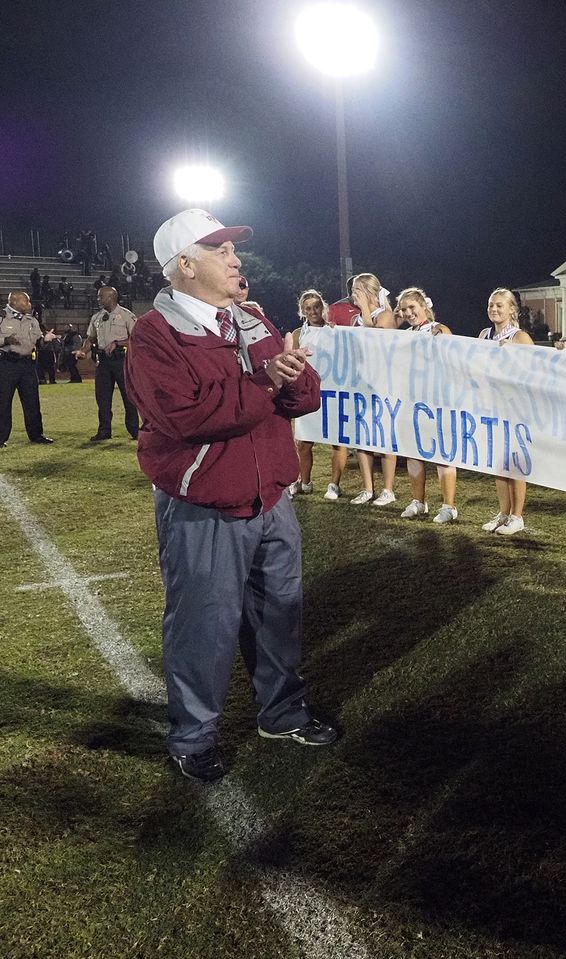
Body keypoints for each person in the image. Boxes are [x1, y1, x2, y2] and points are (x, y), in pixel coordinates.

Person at [126, 208, 336, 784]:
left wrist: (292, 375)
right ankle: (193, 737)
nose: (235, 259)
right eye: (220, 251)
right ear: (185, 266)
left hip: (272, 497)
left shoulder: (251, 319)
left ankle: (282, 712)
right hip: (205, 507)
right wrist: (268, 382)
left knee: (278, 615)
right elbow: (186, 415)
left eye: (232, 249)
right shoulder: (155, 333)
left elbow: (306, 397)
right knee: (204, 623)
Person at [393, 287, 460, 522]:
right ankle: (418, 501)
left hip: (438, 400)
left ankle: (449, 506)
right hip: (413, 399)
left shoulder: (439, 329)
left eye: (412, 307)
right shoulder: (406, 334)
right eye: (404, 309)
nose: (409, 312)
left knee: (442, 453)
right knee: (413, 452)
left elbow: (453, 358)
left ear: (424, 307)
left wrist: (438, 338)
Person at [479, 288, 534, 535]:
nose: (494, 309)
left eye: (500, 305)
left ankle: (517, 515)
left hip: (515, 408)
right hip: (491, 407)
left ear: (512, 309)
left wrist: (508, 357)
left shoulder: (520, 337)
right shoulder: (483, 334)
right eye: (491, 305)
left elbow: (534, 373)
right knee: (498, 464)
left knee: (515, 464)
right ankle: (503, 512)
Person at [286, 290, 345, 500]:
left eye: (316, 307)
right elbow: (291, 362)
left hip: (334, 391)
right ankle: (305, 482)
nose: (313, 312)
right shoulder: (297, 334)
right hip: (309, 393)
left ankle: (334, 484)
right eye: (308, 308)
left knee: (337, 442)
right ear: (302, 311)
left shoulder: (336, 331)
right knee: (303, 442)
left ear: (324, 307)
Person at [347, 273, 399, 505]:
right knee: (362, 437)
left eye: (357, 290)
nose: (353, 295)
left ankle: (388, 489)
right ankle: (368, 488)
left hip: (384, 384)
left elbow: (374, 338)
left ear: (369, 292)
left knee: (385, 436)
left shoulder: (385, 315)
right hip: (361, 383)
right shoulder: (356, 319)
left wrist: (365, 309)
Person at [75, 286, 139, 441]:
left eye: (100, 297)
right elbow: (91, 338)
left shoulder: (126, 316)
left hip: (121, 360)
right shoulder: (96, 317)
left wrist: (118, 343)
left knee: (128, 396)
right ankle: (104, 431)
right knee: (102, 397)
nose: (98, 299)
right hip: (103, 361)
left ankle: (135, 430)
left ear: (110, 297)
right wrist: (83, 350)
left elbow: (137, 339)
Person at [0, 292, 54, 448]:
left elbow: (37, 342)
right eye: (26, 301)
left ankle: (36, 435)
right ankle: (1, 437)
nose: (30, 304)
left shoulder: (32, 320)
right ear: (15, 302)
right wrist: (6, 340)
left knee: (32, 401)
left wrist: (45, 340)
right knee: (3, 402)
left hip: (28, 365)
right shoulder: (2, 317)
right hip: (7, 364)